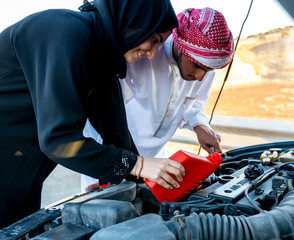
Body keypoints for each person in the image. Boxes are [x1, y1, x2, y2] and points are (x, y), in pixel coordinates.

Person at [0, 0, 185, 229]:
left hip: (22, 180)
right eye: (155, 39)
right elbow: (58, 140)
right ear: (134, 20)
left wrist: (121, 183)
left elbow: (116, 132)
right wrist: (136, 165)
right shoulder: (65, 33)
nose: (152, 53)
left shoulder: (102, 54)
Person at [82, 7, 234, 190]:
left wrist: (199, 125)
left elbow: (193, 104)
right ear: (182, 47)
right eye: (197, 66)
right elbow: (104, 114)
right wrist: (110, 170)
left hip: (156, 164)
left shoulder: (202, 65)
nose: (201, 76)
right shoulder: (144, 53)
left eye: (208, 71)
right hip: (112, 157)